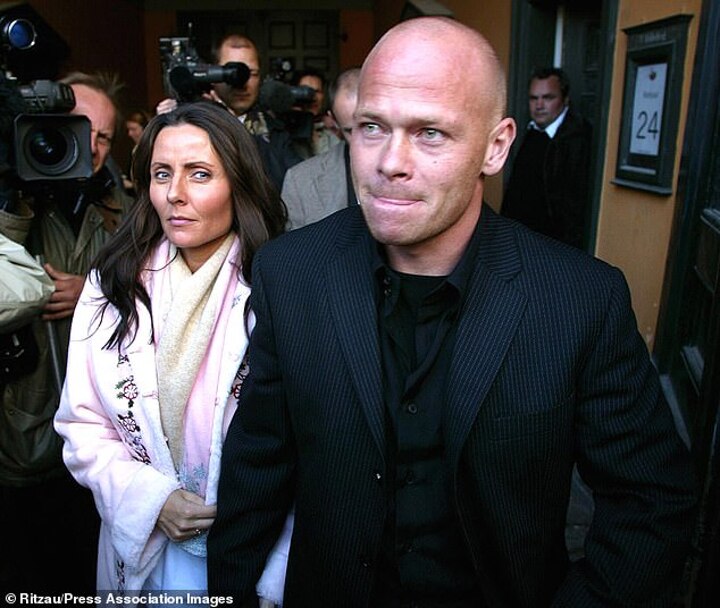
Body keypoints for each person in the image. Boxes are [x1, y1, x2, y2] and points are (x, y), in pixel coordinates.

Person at [207, 16, 697, 607]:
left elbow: (651, 503)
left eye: (431, 133)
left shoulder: (579, 300)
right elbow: (255, 472)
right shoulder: (292, 276)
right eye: (372, 127)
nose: (390, 161)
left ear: (496, 146)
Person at [53, 101, 288, 593]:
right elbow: (82, 424)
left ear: (239, 183)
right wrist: (152, 501)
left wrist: (279, 574)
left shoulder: (280, 288)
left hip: (252, 551)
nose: (175, 194)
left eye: (199, 174)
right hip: (143, 550)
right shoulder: (112, 286)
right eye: (162, 174)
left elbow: (310, 446)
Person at [0, 70, 131, 592]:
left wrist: (94, 294)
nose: (90, 146)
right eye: (78, 128)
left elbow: (149, 290)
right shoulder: (15, 196)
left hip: (102, 439)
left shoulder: (119, 207)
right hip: (26, 435)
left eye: (104, 137)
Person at [156, 33, 302, 191]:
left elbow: (292, 186)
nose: (242, 83)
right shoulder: (188, 122)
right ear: (212, 73)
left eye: (251, 74)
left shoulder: (276, 132)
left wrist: (230, 124)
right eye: (232, 72)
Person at [502, 67, 592, 249]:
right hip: (519, 241)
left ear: (565, 100)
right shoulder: (531, 132)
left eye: (548, 98)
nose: (539, 105)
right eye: (534, 98)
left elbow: (572, 210)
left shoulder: (577, 139)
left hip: (552, 247)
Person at [281, 67, 360, 230]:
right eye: (350, 131)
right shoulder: (299, 180)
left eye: (372, 127)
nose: (363, 141)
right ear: (335, 121)